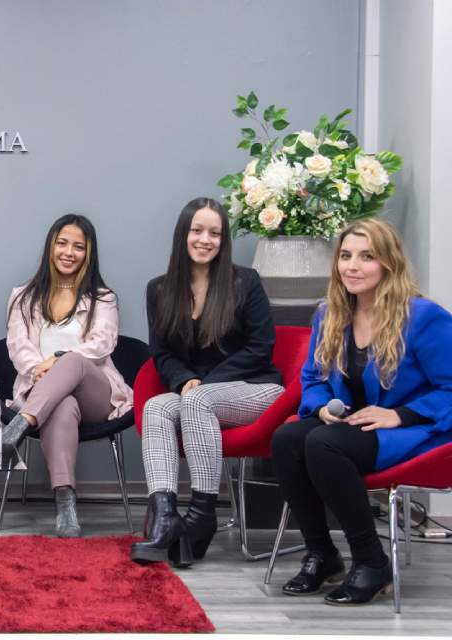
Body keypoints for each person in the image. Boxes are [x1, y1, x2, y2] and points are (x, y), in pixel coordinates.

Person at [272, 219, 452, 605]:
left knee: (323, 445)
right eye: (346, 256)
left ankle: (371, 562)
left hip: (415, 431)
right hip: (353, 427)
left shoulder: (422, 317)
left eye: (366, 257)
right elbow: (313, 378)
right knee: (287, 438)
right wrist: (321, 407)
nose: (352, 266)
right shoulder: (331, 314)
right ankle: (322, 555)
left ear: (388, 263)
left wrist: (399, 414)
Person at [131, 197, 282, 567]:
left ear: (223, 239)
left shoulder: (245, 281)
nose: (205, 239)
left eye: (214, 233)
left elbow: (261, 347)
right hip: (197, 393)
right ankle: (164, 518)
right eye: (197, 230)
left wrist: (205, 385)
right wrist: (186, 380)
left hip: (256, 388)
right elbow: (162, 353)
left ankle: (202, 514)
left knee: (198, 401)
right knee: (155, 407)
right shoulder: (159, 289)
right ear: (183, 234)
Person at [1, 214, 132, 537]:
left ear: (89, 253)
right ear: (50, 247)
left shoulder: (103, 297)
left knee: (72, 361)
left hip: (96, 395)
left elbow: (103, 343)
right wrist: (38, 369)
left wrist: (58, 362)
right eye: (62, 243)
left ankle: (21, 425)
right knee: (61, 406)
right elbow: (18, 346)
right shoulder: (22, 296)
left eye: (78, 247)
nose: (68, 252)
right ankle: (65, 503)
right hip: (46, 393)